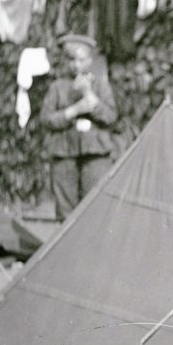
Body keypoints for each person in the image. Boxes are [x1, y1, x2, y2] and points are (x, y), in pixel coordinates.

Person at [40, 33, 118, 221]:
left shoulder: (100, 85)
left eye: (81, 60)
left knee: (95, 205)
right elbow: (46, 119)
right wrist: (74, 110)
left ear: (90, 60)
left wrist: (91, 99)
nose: (76, 65)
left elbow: (111, 116)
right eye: (72, 60)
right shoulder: (57, 87)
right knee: (66, 208)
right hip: (64, 152)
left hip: (95, 152)